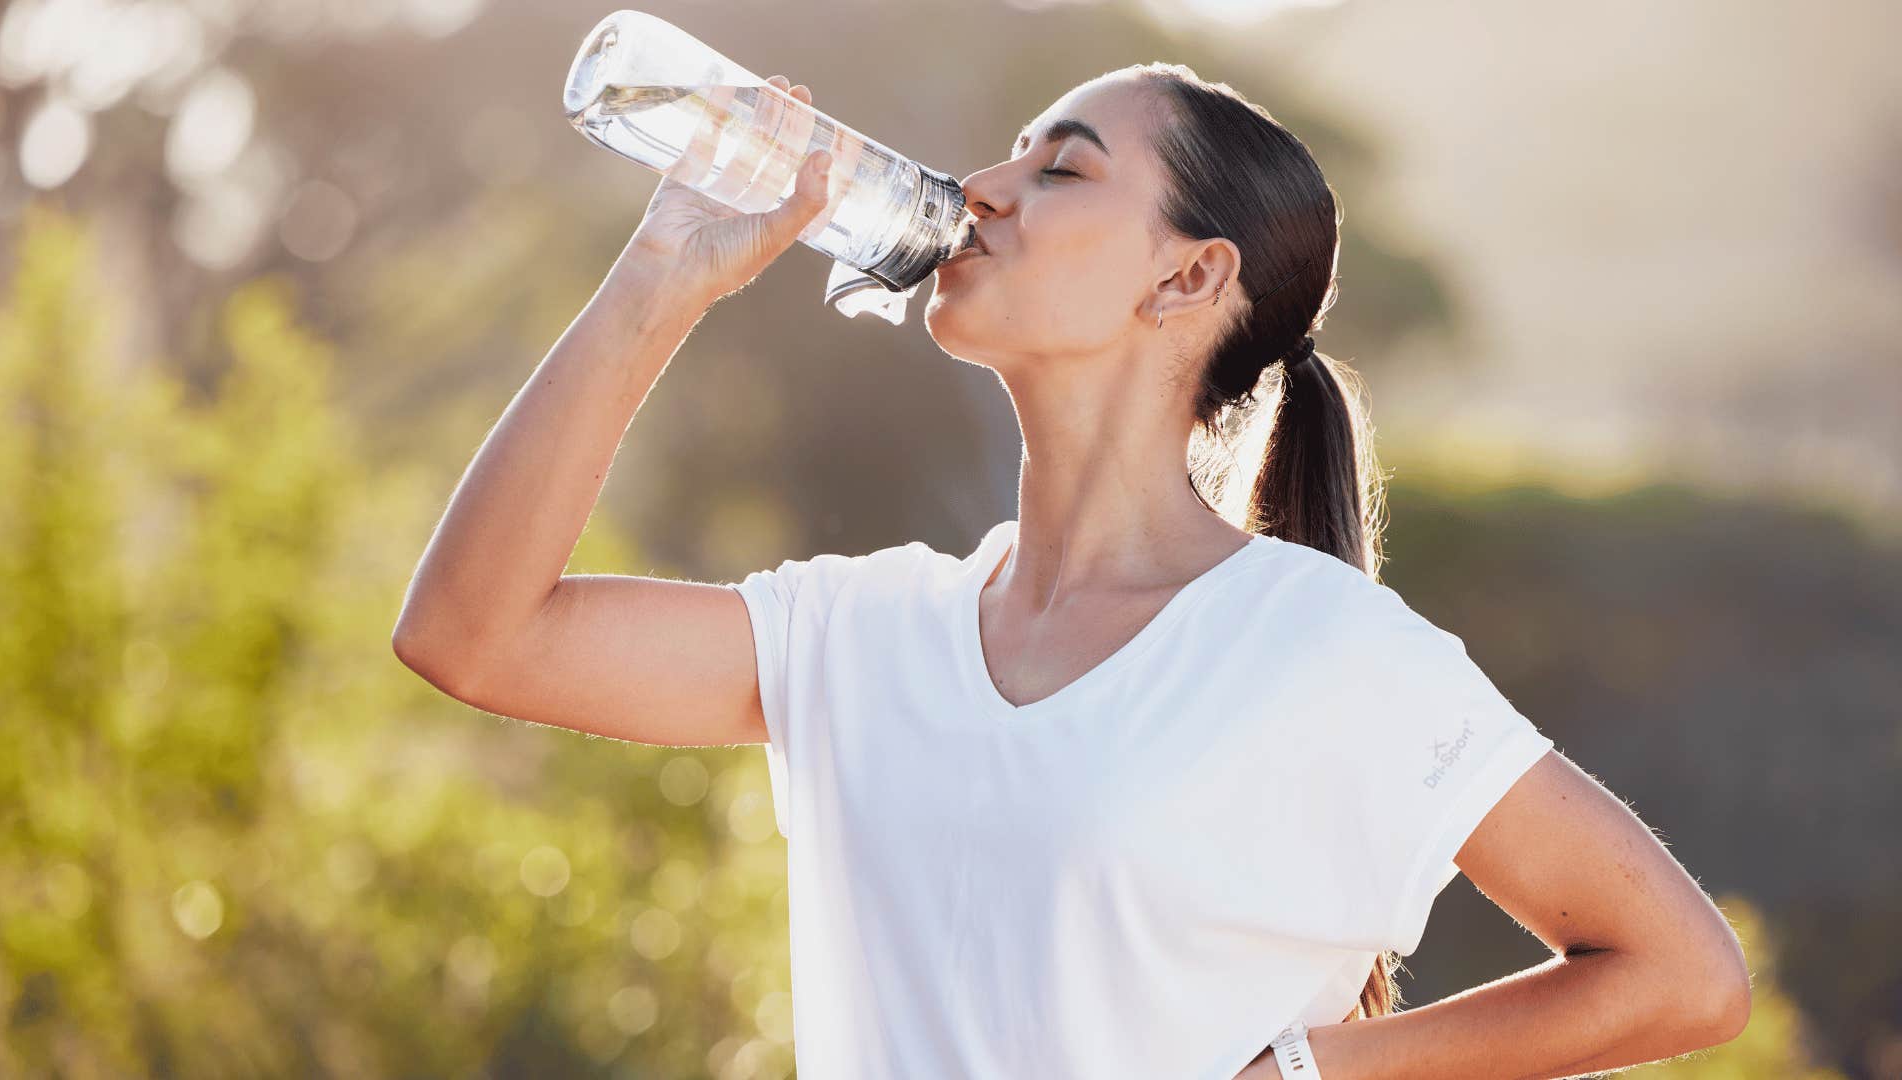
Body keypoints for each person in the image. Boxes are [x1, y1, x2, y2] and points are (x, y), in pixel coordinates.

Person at [394, 65, 1751, 1080]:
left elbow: (1681, 974)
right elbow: (474, 637)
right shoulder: (863, 631)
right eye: (1011, 157)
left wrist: (1306, 1072)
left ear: (1188, 278)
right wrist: (661, 274)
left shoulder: (1322, 650)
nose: (980, 189)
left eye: (1061, 170)